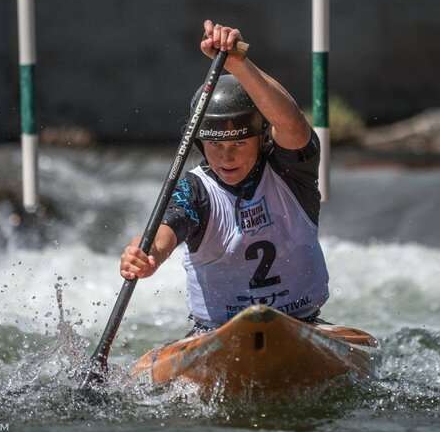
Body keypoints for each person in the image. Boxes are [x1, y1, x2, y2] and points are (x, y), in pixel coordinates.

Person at [120, 19, 329, 334]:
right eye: (216, 144)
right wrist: (145, 254)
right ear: (201, 143)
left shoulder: (290, 173)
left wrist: (239, 63)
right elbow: (166, 230)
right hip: (215, 333)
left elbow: (292, 123)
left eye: (239, 143)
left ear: (262, 139)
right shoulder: (194, 190)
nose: (226, 156)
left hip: (302, 325)